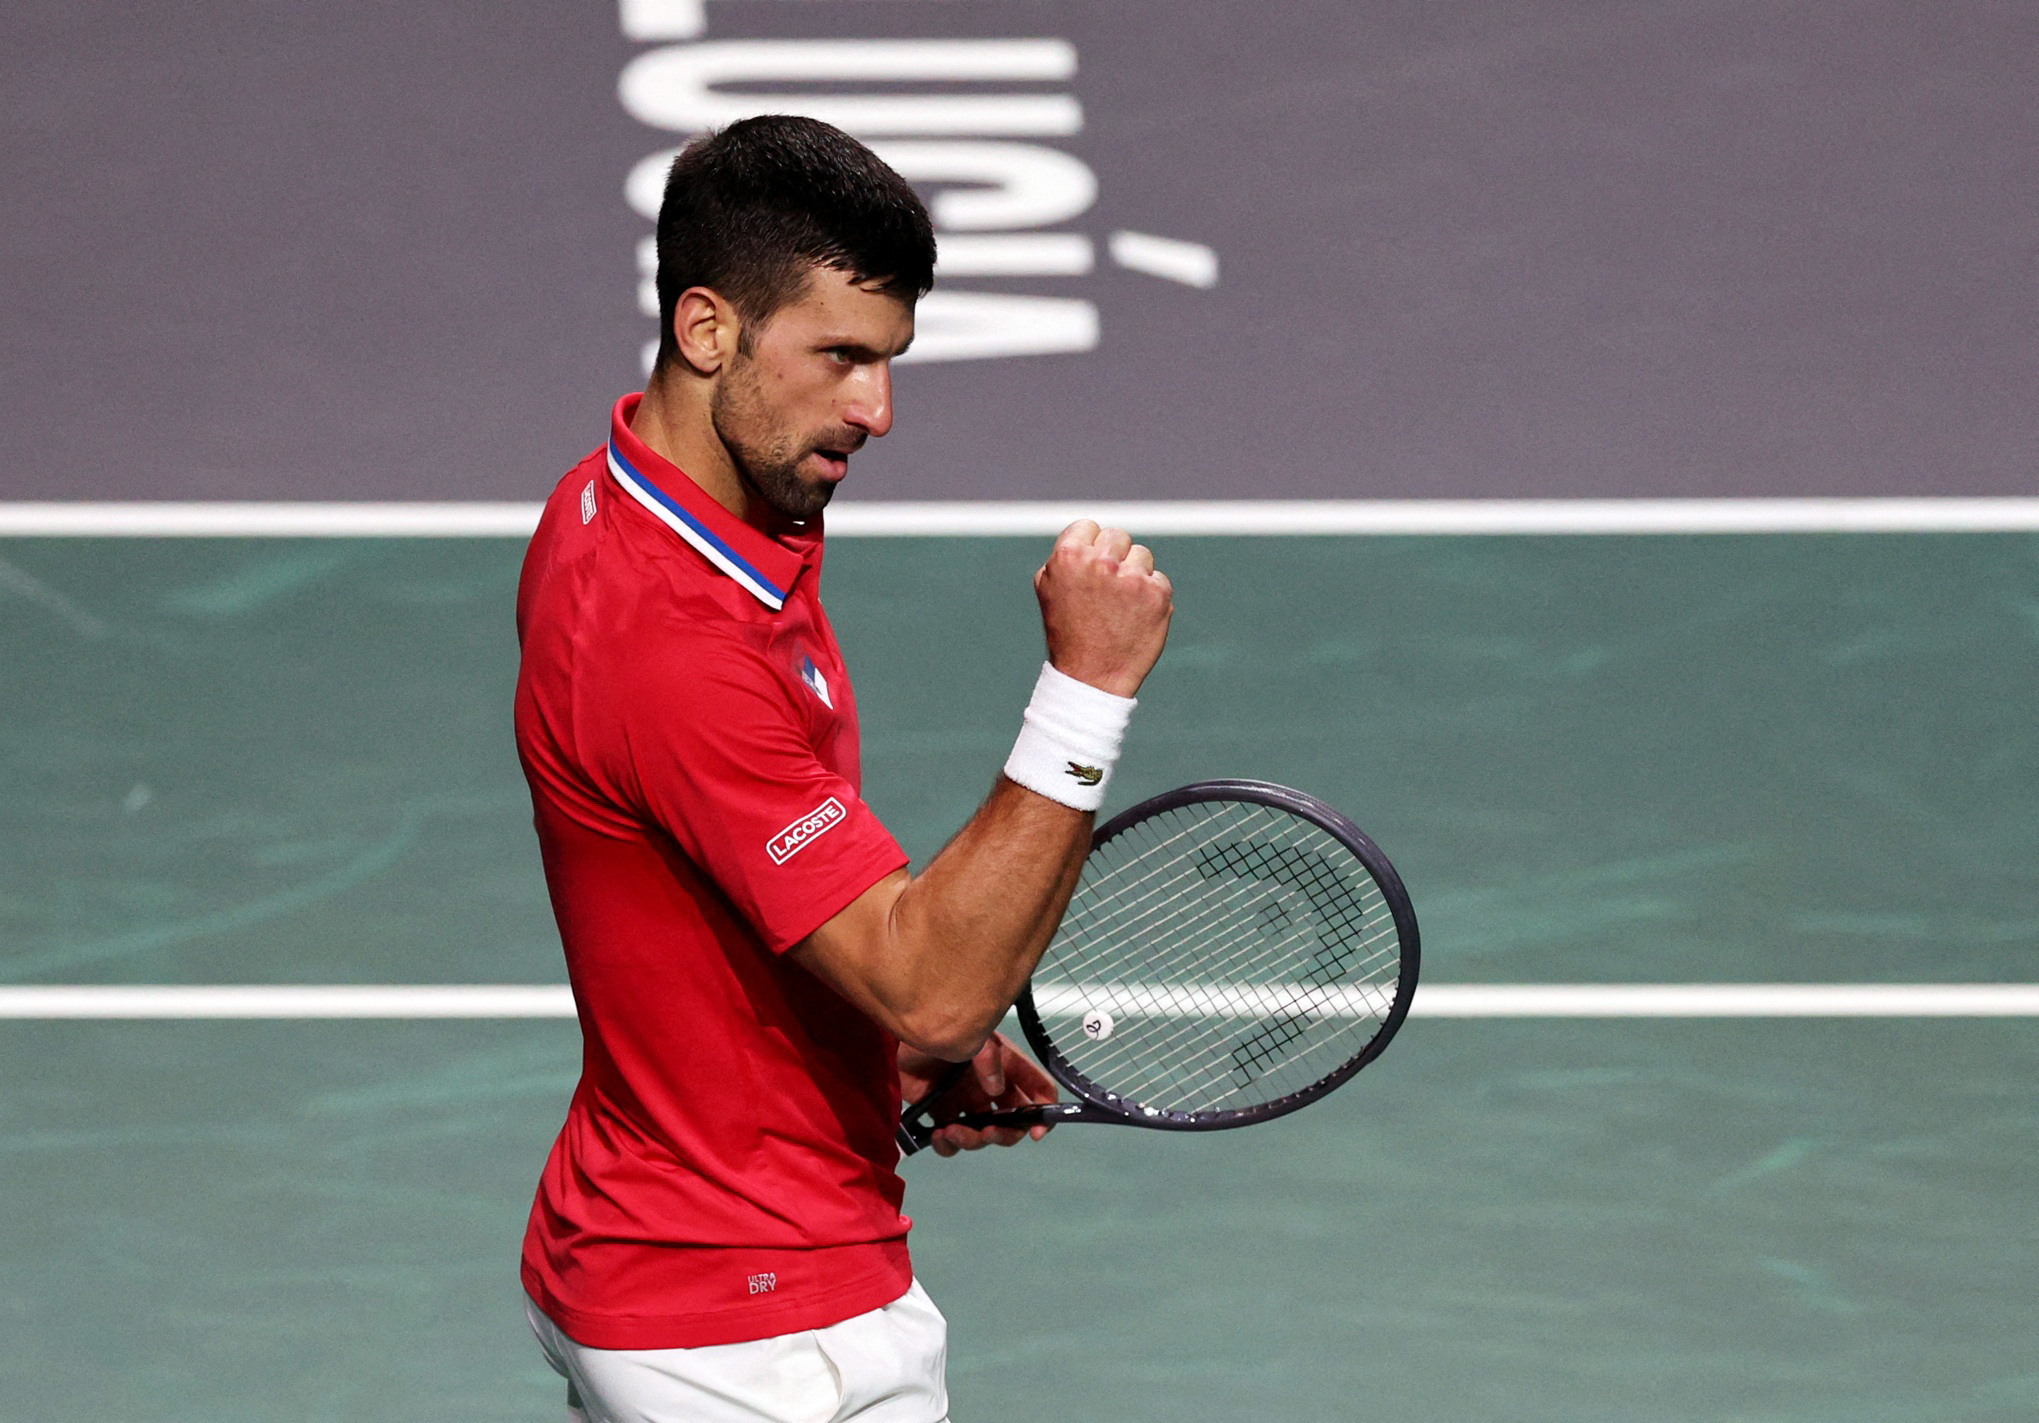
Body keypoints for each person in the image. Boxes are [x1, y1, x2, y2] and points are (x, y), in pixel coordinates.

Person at [513, 114, 1173, 1423]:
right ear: (707, 330)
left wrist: (877, 1060)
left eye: (888, 361)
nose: (877, 410)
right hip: (753, 1335)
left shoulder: (659, 507)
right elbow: (933, 987)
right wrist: (1087, 690)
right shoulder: (671, 639)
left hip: (671, 1248)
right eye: (841, 358)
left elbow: (731, 898)